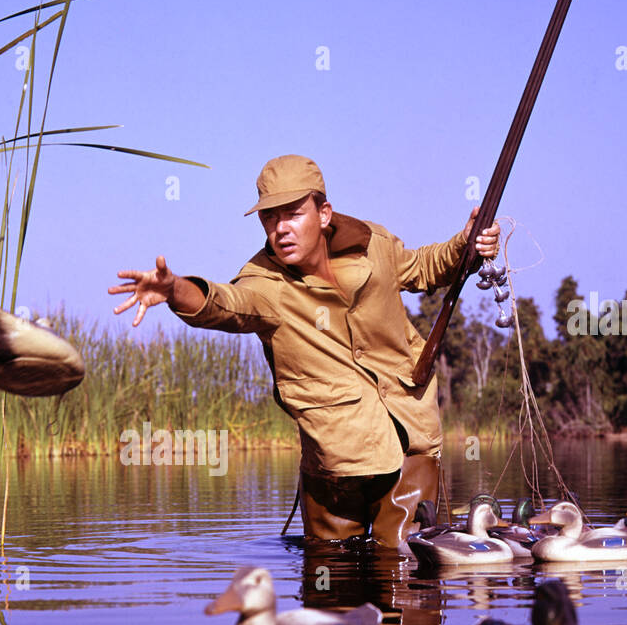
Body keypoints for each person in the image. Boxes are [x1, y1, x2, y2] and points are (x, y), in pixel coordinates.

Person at [108, 154, 500, 547]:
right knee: (329, 588)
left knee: (409, 574)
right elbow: (225, 305)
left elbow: (423, 267)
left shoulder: (373, 244)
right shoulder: (263, 282)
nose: (280, 229)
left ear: (324, 213)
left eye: (292, 214)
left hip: (410, 438)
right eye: (269, 218)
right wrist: (176, 289)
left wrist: (466, 244)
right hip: (335, 461)